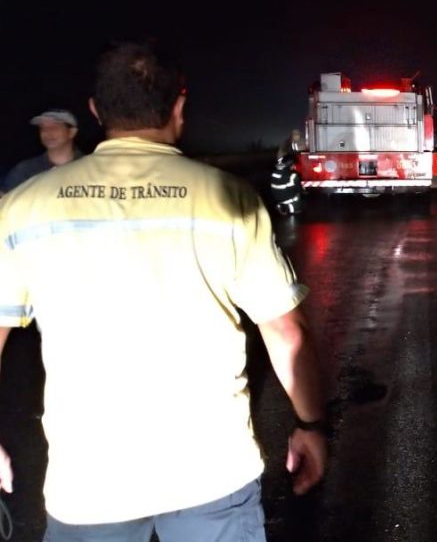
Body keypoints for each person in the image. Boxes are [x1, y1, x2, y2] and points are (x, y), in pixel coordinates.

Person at [0, 41, 327, 542]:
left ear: (94, 111)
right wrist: (310, 424)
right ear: (179, 106)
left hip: (90, 483)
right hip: (212, 473)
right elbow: (286, 330)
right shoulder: (227, 197)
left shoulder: (23, 207)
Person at [0, 109, 83, 195]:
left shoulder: (88, 167)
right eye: (42, 128)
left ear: (72, 132)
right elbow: (4, 199)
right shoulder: (26, 170)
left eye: (54, 127)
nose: (47, 132)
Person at [269, 146, 304, 215]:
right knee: (299, 197)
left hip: (276, 197)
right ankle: (292, 209)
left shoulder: (275, 172)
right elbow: (299, 189)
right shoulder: (292, 175)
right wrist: (303, 191)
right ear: (290, 164)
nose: (294, 166)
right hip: (285, 197)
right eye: (293, 165)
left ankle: (280, 205)